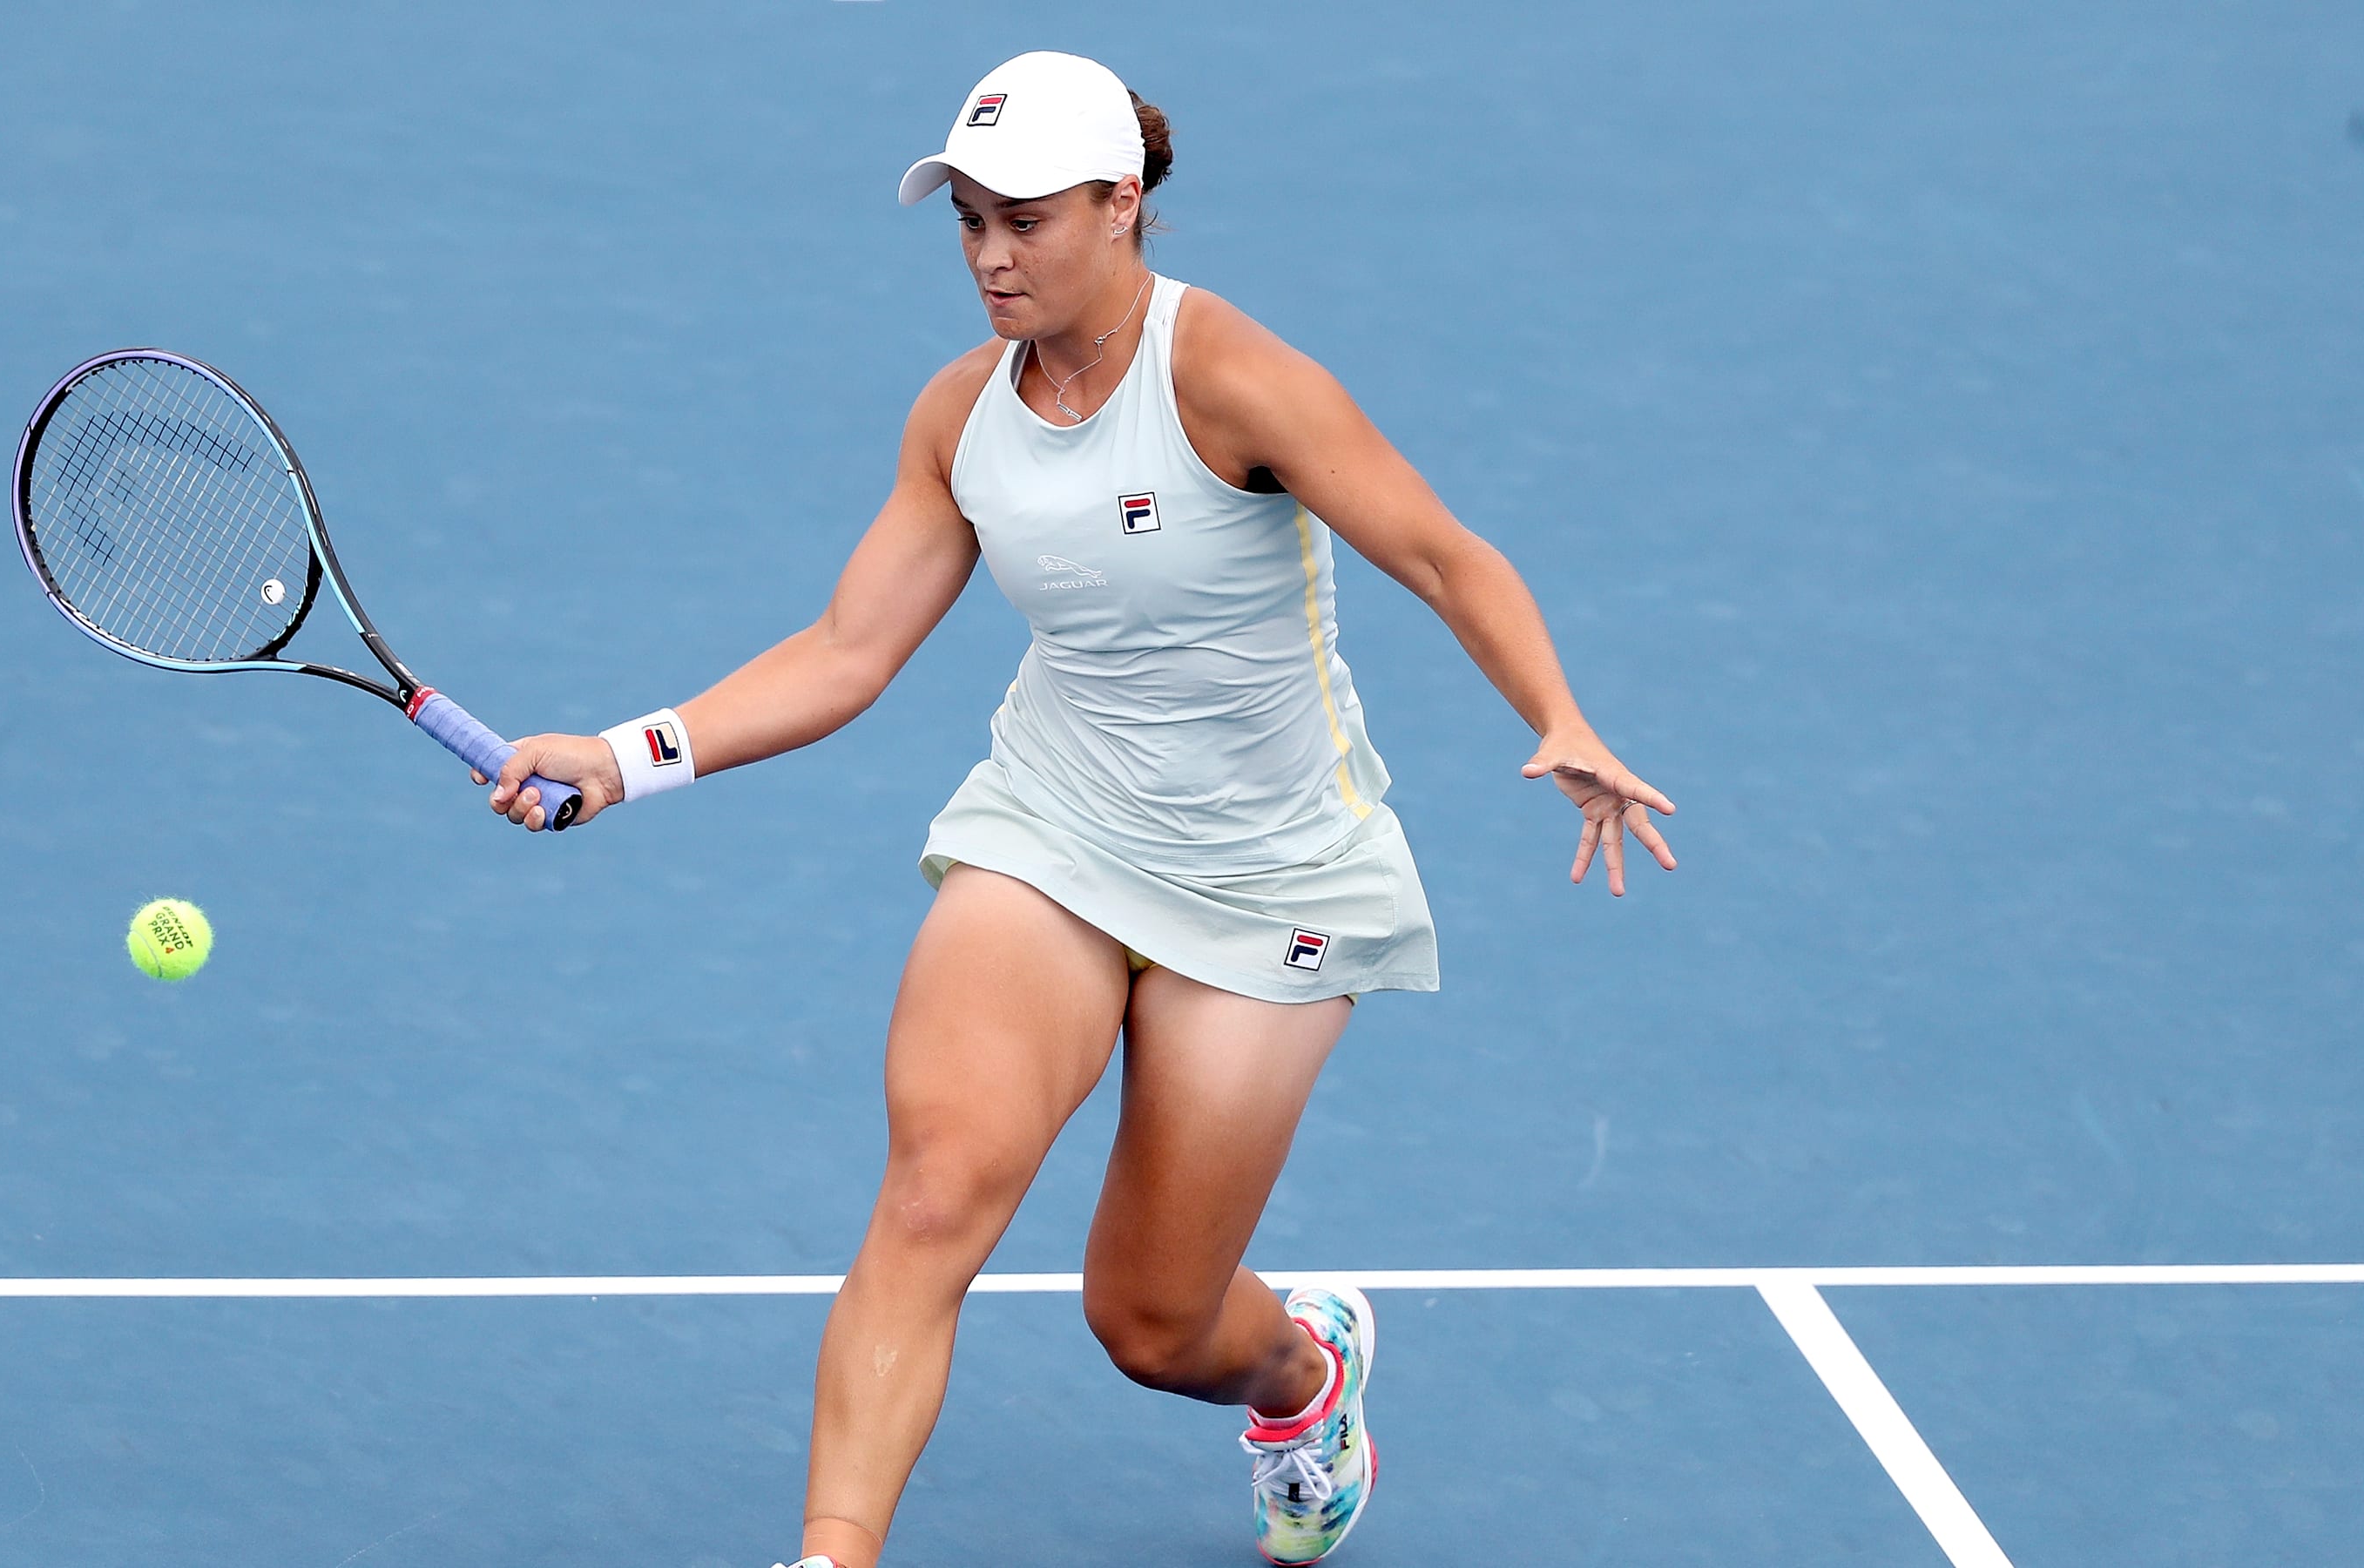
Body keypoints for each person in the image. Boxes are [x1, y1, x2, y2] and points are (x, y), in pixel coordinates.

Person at [477, 50, 1675, 1568]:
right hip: (1054, 834)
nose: (989, 254)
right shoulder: (959, 414)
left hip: (1273, 879)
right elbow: (851, 650)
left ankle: (1305, 1378)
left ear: (1123, 205)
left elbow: (1441, 553)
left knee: (1155, 1322)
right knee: (932, 1197)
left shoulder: (1233, 376)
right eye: (969, 218)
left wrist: (1556, 713)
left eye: (1025, 219)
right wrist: (628, 751)